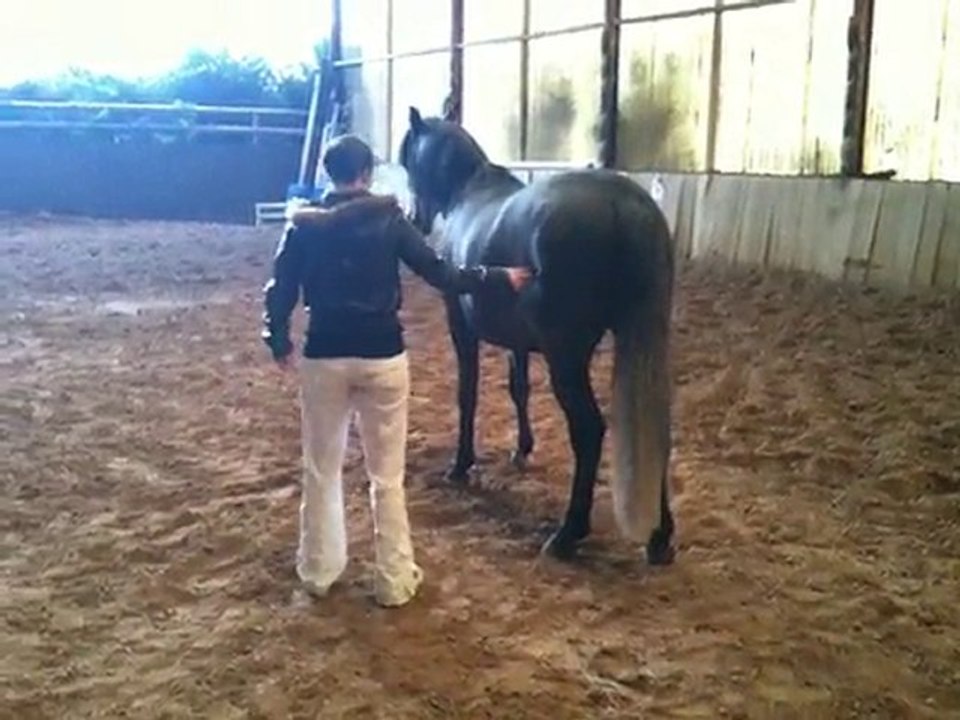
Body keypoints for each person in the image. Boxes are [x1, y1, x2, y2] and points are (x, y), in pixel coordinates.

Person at [261, 134, 530, 608]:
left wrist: (278, 340)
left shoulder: (302, 226)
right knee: (387, 476)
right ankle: (394, 579)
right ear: (366, 174)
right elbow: (441, 273)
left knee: (321, 468)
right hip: (383, 355)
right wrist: (496, 276)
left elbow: (279, 289)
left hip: (324, 355)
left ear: (330, 174)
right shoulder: (390, 219)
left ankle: (319, 570)